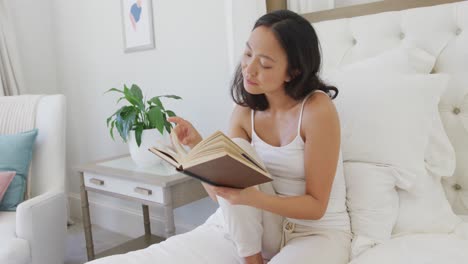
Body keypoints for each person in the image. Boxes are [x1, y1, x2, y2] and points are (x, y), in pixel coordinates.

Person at [88, 9, 351, 264]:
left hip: (315, 231)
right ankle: (252, 260)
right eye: (248, 53)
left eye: (265, 64)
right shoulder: (244, 112)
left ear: (293, 72)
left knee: (237, 152)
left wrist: (251, 198)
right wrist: (197, 148)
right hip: (264, 230)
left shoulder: (317, 110)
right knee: (236, 148)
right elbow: (223, 197)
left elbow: (316, 206)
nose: (248, 69)